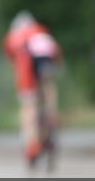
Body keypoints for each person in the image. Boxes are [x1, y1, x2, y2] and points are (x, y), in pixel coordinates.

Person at [4, 11, 63, 166]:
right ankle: (52, 115)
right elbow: (57, 56)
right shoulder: (41, 31)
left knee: (28, 104)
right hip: (46, 54)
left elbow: (15, 64)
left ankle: (32, 144)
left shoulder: (14, 36)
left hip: (27, 60)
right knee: (48, 83)